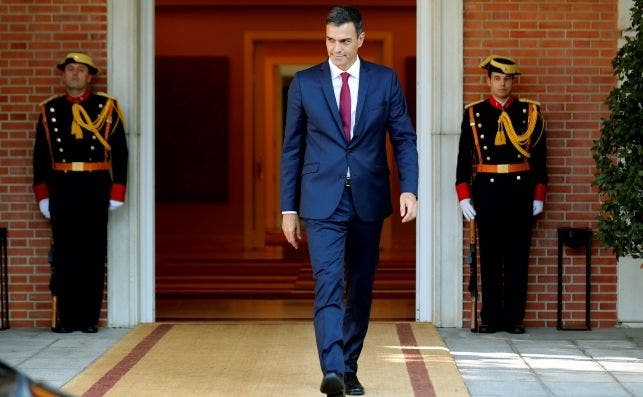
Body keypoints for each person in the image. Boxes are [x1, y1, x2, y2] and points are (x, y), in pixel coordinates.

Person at [280, 6, 418, 397]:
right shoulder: (305, 84)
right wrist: (288, 209)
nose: (336, 49)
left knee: (359, 286)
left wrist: (410, 189)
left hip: (368, 199)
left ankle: (350, 366)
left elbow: (404, 138)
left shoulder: (384, 81)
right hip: (320, 202)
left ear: (360, 39)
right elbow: (292, 149)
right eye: (329, 40)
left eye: (344, 41)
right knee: (327, 283)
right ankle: (334, 369)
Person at [32, 52, 128, 334]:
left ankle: (88, 319)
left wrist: (117, 190)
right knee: (64, 254)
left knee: (92, 254)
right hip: (61, 185)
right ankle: (66, 319)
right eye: (70, 69)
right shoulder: (49, 110)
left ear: (90, 76)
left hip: (95, 184)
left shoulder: (107, 107)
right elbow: (40, 156)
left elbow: (120, 152)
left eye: (80, 70)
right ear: (63, 74)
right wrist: (43, 194)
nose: (74, 74)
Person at [455, 55, 547, 334]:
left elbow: (541, 157)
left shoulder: (531, 113)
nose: (502, 83)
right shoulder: (474, 113)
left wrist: (539, 194)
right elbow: (463, 158)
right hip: (488, 191)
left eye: (507, 79)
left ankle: (513, 319)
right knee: (490, 258)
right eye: (497, 78)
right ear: (488, 80)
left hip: (520, 191)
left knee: (518, 256)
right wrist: (463, 195)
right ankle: (491, 318)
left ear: (513, 81)